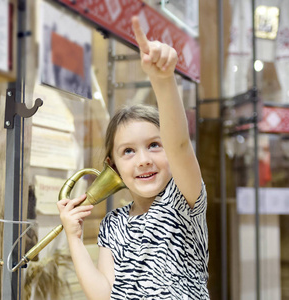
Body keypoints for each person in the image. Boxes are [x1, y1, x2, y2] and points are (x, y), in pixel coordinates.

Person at [57, 16, 209, 299]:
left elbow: (179, 146)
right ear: (112, 166)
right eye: (128, 151)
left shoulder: (183, 198)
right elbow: (103, 294)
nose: (143, 160)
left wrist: (163, 81)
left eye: (154, 145)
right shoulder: (112, 223)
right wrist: (73, 238)